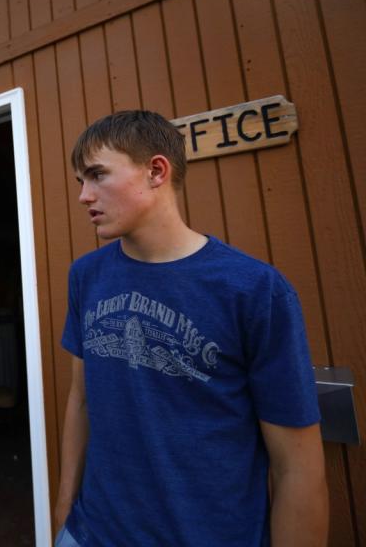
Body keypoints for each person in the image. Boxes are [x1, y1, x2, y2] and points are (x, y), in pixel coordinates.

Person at [53, 111, 327, 546]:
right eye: (79, 182)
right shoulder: (86, 275)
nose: (84, 195)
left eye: (97, 175)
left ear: (156, 171)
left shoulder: (254, 289)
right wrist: (64, 516)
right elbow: (81, 401)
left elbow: (297, 468)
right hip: (91, 533)